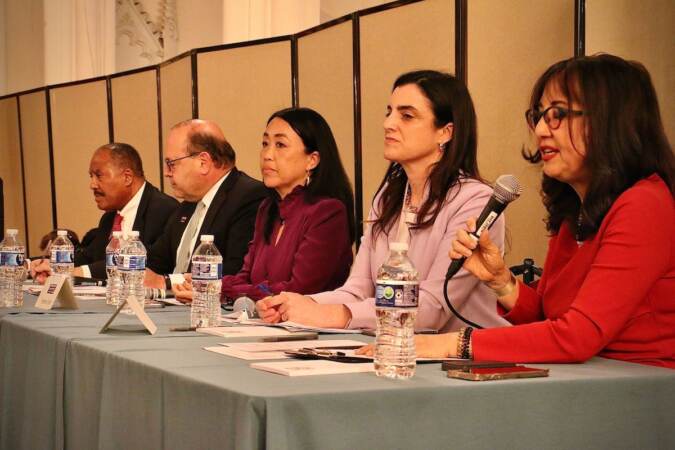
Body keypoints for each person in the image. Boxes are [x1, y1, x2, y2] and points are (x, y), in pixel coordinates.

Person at [362, 54, 675, 368]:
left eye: (557, 115)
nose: (539, 130)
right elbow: (548, 318)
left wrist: (448, 343)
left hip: (638, 386)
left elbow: (576, 336)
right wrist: (501, 282)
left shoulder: (645, 204)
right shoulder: (576, 214)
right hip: (585, 381)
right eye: (538, 116)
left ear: (610, 120)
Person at [257, 70, 509, 331]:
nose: (388, 123)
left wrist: (335, 315)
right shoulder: (388, 197)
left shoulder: (474, 201)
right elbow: (357, 290)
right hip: (393, 349)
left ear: (445, 132)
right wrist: (297, 304)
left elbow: (432, 309)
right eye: (389, 112)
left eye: (406, 116)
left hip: (461, 360)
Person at [173, 107, 354, 302]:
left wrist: (220, 290)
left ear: (312, 160)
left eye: (280, 145)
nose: (267, 154)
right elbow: (245, 276)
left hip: (309, 328)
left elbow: (297, 290)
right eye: (265, 143)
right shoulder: (268, 208)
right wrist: (210, 284)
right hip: (264, 322)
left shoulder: (328, 212)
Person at [144, 119, 267, 290]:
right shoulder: (188, 204)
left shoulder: (249, 197)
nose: (166, 173)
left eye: (171, 164)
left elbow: (236, 273)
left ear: (203, 163)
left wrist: (167, 282)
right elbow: (155, 262)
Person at [30, 143, 177, 282]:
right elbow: (89, 258)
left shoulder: (163, 210)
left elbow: (145, 264)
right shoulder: (109, 217)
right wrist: (43, 264)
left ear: (127, 177)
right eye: (91, 177)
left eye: (98, 176)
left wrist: (72, 272)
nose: (92, 185)